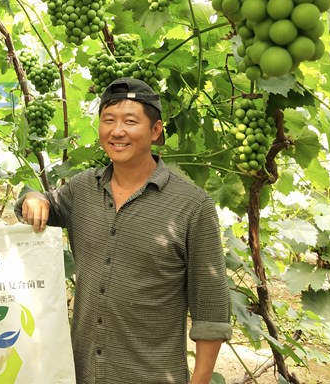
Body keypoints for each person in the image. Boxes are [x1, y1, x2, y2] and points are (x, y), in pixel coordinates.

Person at [17, 77, 232, 384]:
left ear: (155, 131)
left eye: (130, 121)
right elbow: (39, 206)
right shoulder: (82, 190)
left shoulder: (192, 206)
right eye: (108, 120)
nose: (117, 131)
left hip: (151, 375)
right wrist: (34, 198)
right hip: (82, 374)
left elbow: (210, 309)